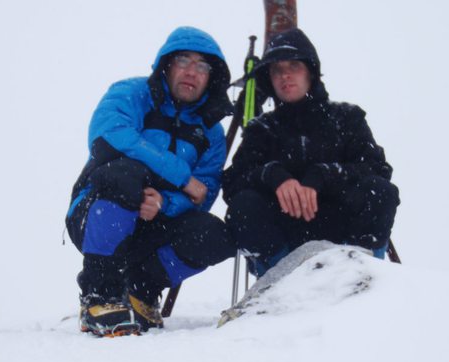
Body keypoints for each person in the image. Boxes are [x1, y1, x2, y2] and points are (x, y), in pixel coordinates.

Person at [66, 26, 235, 336]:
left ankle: (140, 292)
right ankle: (99, 295)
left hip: (155, 225)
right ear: (166, 65)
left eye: (202, 66)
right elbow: (110, 136)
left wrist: (163, 203)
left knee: (216, 235)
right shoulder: (131, 93)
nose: (191, 72)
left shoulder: (211, 132)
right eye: (183, 60)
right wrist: (182, 177)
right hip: (97, 212)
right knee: (124, 174)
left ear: (213, 77)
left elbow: (204, 193)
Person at [222, 28, 400, 277]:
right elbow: (232, 182)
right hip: (282, 235)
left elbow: (377, 169)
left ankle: (360, 277)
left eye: (294, 65)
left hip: (341, 230)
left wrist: (323, 176)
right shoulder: (262, 129)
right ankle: (278, 283)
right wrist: (273, 176)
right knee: (244, 205)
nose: (285, 76)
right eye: (276, 70)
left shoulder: (347, 118)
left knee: (380, 192)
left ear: (310, 71)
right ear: (269, 79)